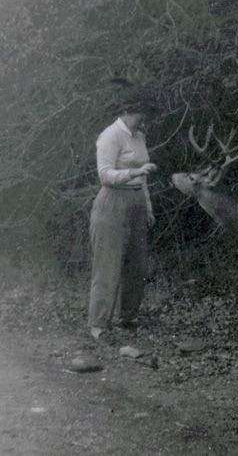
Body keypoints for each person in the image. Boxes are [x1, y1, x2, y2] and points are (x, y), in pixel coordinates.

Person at [88, 104, 157, 340]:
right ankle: (98, 326)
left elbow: (144, 176)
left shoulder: (139, 137)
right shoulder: (110, 136)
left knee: (137, 265)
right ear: (127, 111)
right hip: (112, 202)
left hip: (137, 201)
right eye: (141, 114)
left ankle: (127, 318)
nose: (143, 119)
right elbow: (104, 174)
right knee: (107, 266)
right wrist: (132, 174)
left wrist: (147, 206)